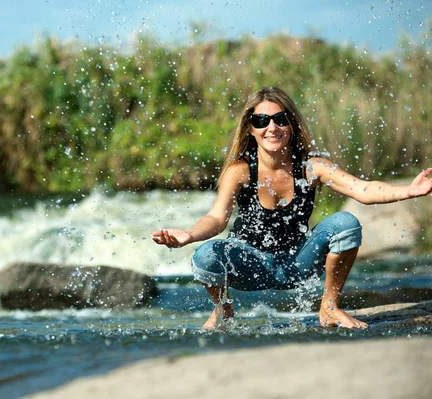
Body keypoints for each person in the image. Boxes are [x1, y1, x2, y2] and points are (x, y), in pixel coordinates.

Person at [151, 86, 432, 330]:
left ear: (292, 124)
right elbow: (216, 218)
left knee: (346, 223)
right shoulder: (239, 171)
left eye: (279, 119)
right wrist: (189, 235)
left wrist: (408, 190)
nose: (271, 128)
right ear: (250, 128)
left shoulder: (312, 166)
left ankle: (330, 306)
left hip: (298, 262)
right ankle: (222, 308)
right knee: (206, 256)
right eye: (261, 120)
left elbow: (363, 189)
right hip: (250, 266)